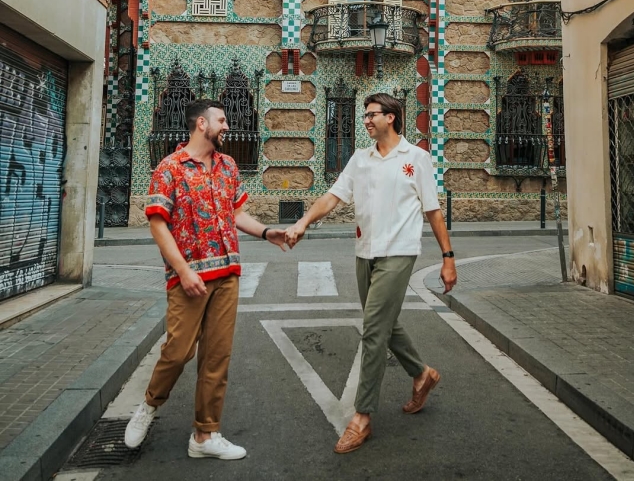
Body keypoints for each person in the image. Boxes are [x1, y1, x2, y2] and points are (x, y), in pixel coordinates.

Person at [285, 93, 457, 454]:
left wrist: (448, 257)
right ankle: (422, 374)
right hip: (365, 253)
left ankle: (362, 417)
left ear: (391, 117)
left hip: (399, 252)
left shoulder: (417, 159)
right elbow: (333, 196)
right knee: (384, 323)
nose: (365, 120)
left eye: (371, 114)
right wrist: (303, 222)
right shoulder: (360, 160)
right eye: (364, 115)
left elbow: (433, 210)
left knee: (374, 332)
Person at [124, 99, 287, 460]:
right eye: (222, 120)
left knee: (217, 357)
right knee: (178, 352)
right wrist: (182, 271)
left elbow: (237, 213)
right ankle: (149, 406)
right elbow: (157, 223)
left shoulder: (228, 166)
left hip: (227, 274)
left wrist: (266, 232)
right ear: (201, 123)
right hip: (189, 278)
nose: (227, 126)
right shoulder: (170, 168)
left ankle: (204, 435)